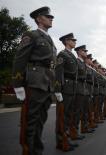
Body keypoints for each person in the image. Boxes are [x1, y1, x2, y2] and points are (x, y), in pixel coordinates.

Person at [12, 6, 57, 155]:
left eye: (51, 17)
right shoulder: (31, 35)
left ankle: (36, 150)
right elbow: (20, 59)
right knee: (30, 121)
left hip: (47, 83)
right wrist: (18, 85)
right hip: (35, 82)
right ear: (39, 19)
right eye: (47, 16)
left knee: (40, 120)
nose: (51, 19)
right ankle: (28, 150)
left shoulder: (50, 39)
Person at [55, 33, 79, 151]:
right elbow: (58, 72)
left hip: (72, 87)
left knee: (69, 115)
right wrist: (58, 89)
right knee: (62, 116)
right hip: (65, 88)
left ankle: (67, 138)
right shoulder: (62, 54)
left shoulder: (72, 55)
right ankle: (61, 141)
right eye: (72, 40)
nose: (75, 42)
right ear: (66, 41)